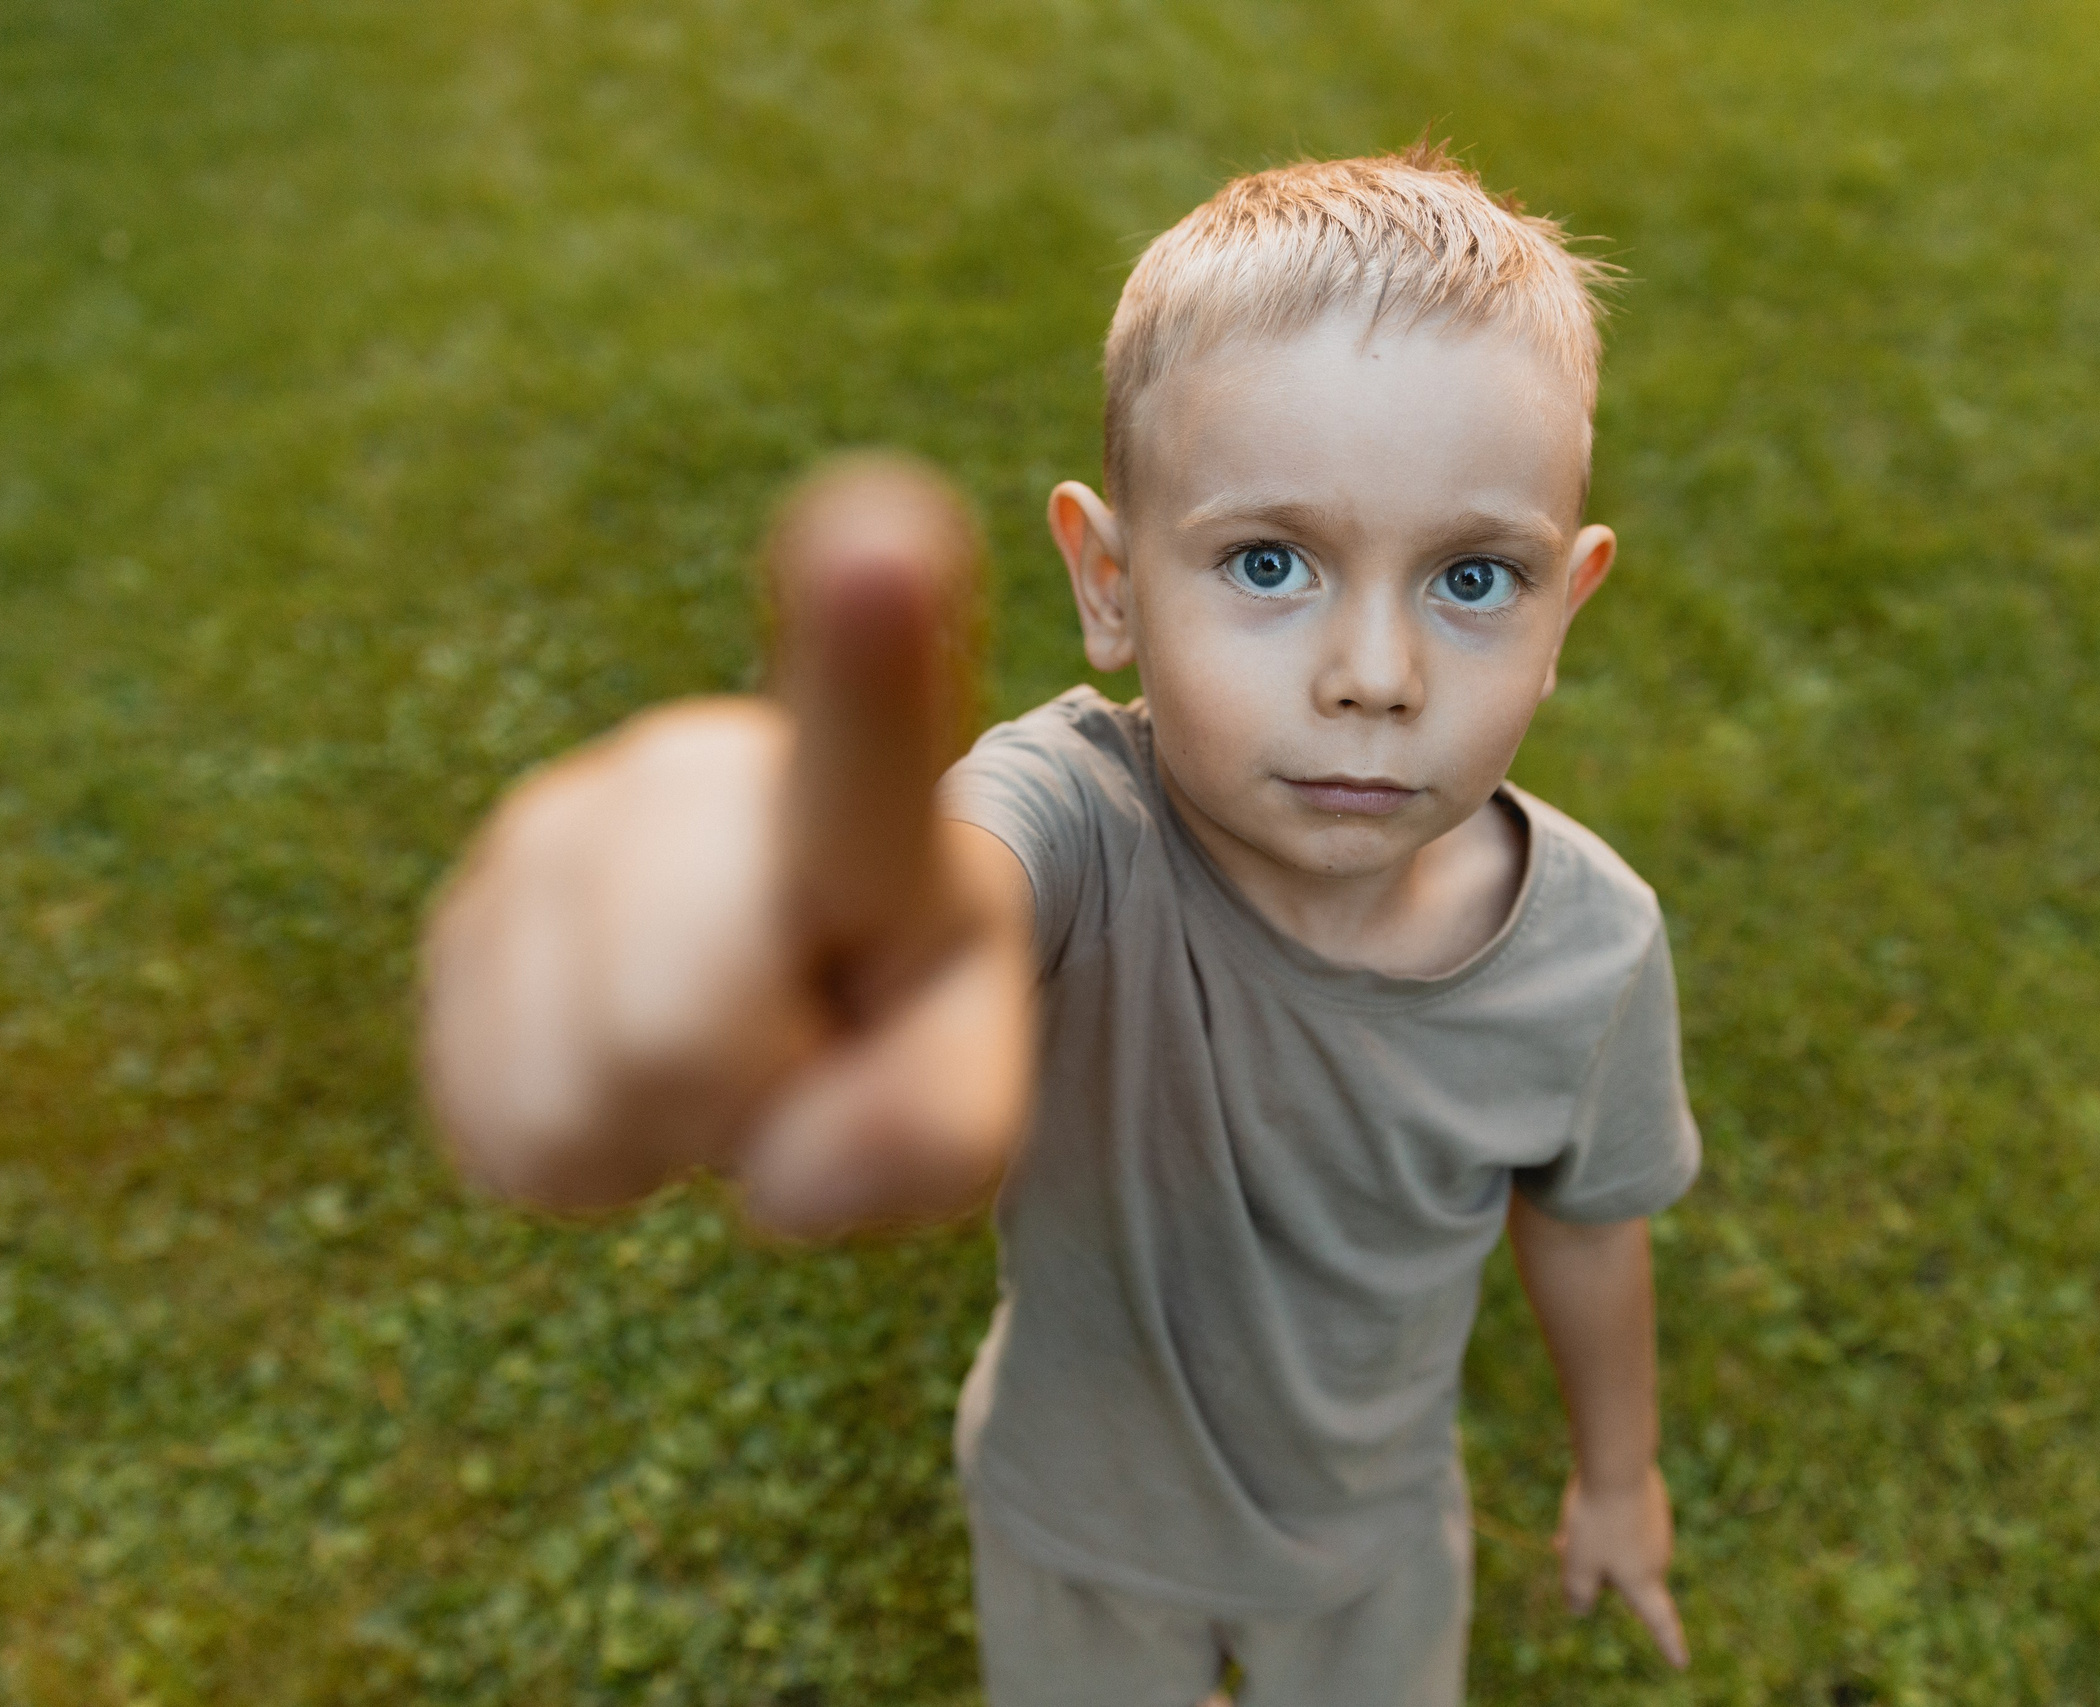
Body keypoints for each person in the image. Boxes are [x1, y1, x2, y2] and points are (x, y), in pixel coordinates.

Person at [418, 139, 1700, 1706]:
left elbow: (1587, 1225)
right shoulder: (1076, 822)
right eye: (1272, 562)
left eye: (1473, 579)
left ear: (1566, 608)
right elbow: (957, 894)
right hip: (1075, 1535)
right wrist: (815, 937)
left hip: (1372, 1549)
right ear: (1108, 584)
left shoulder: (1593, 951)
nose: (1377, 672)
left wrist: (1619, 1475)